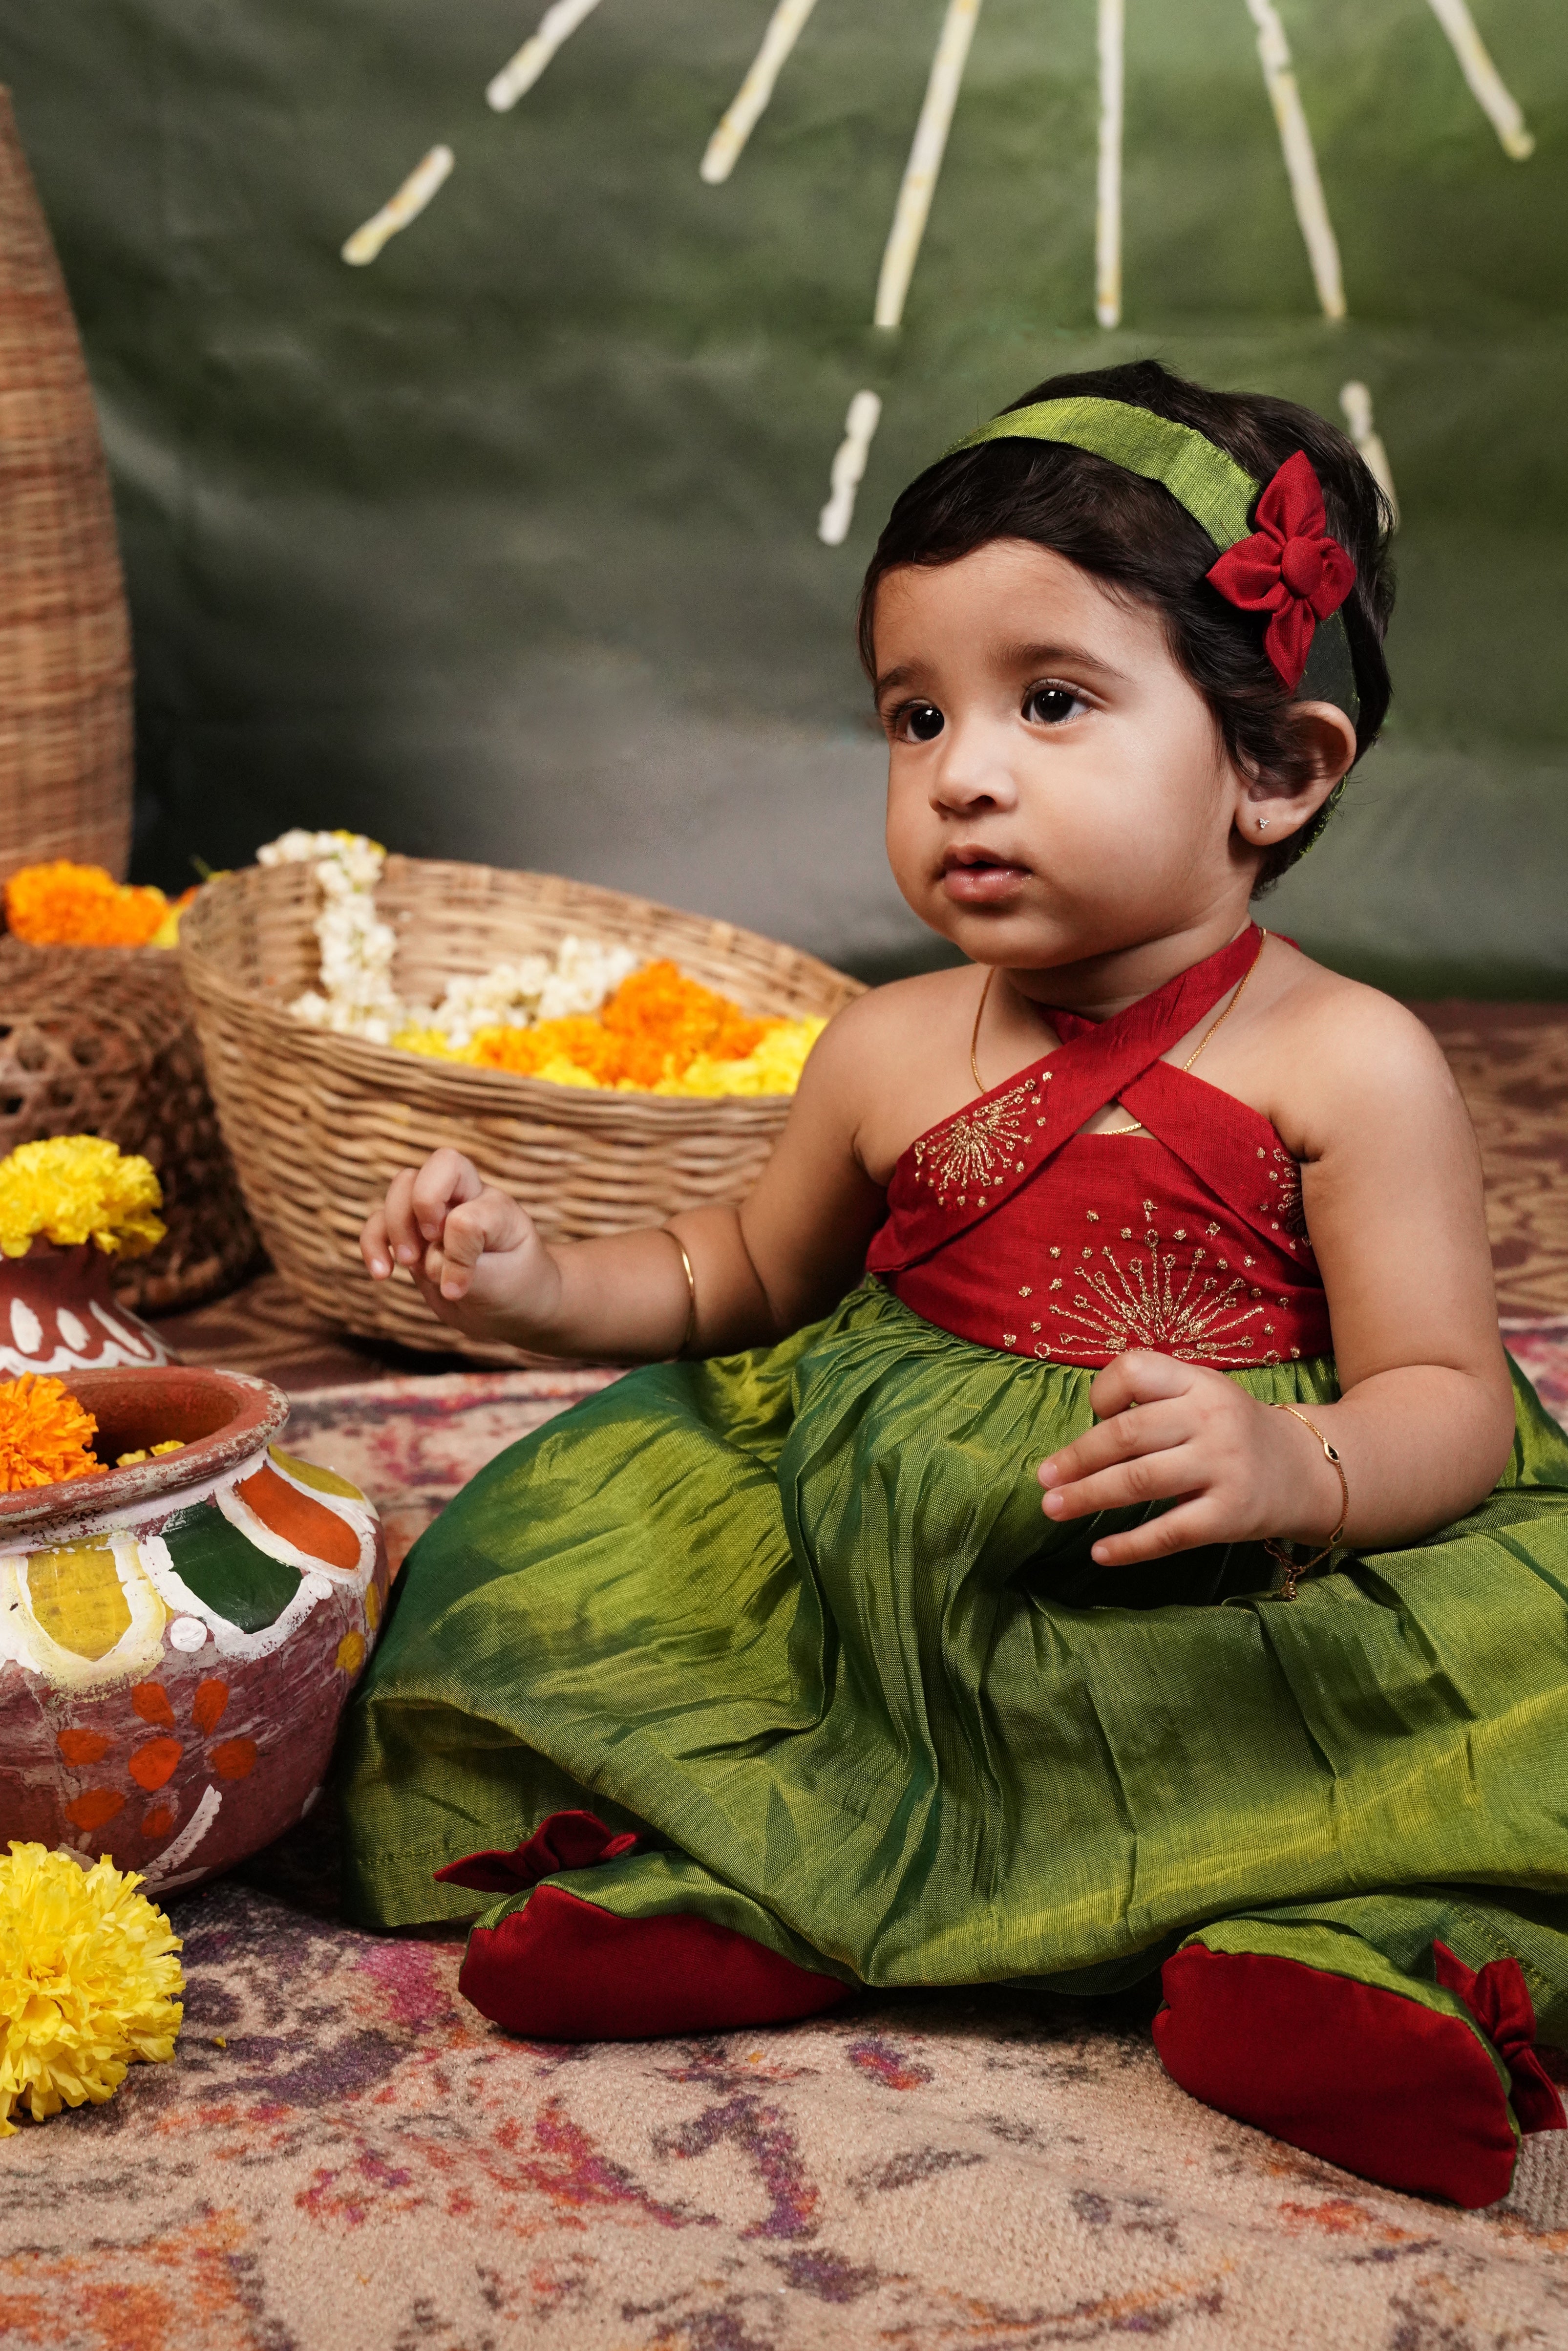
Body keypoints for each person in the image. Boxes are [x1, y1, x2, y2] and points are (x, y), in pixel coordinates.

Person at [339, 360, 1568, 2209]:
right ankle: (772, 1883)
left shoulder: (1347, 1062)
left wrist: (1290, 1465)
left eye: (1050, 701)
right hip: (898, 1575)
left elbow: (1448, 1402)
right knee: (580, 1592)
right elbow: (738, 1271)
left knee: (1493, 1711)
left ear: (1271, 767)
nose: (962, 771)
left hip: (1220, 1583)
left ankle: (1333, 1967)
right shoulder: (889, 1041)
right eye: (913, 717)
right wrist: (534, 1286)